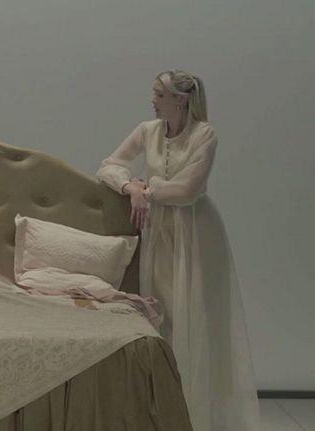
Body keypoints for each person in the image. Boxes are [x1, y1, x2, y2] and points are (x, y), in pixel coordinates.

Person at [96, 70, 259, 430]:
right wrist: (129, 187)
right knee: (161, 313)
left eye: (159, 94)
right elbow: (108, 166)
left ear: (180, 100)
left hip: (195, 235)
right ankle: (162, 409)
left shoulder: (204, 135)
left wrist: (148, 189)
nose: (152, 100)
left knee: (195, 315)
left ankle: (195, 412)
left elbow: (188, 190)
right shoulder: (148, 131)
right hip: (159, 234)